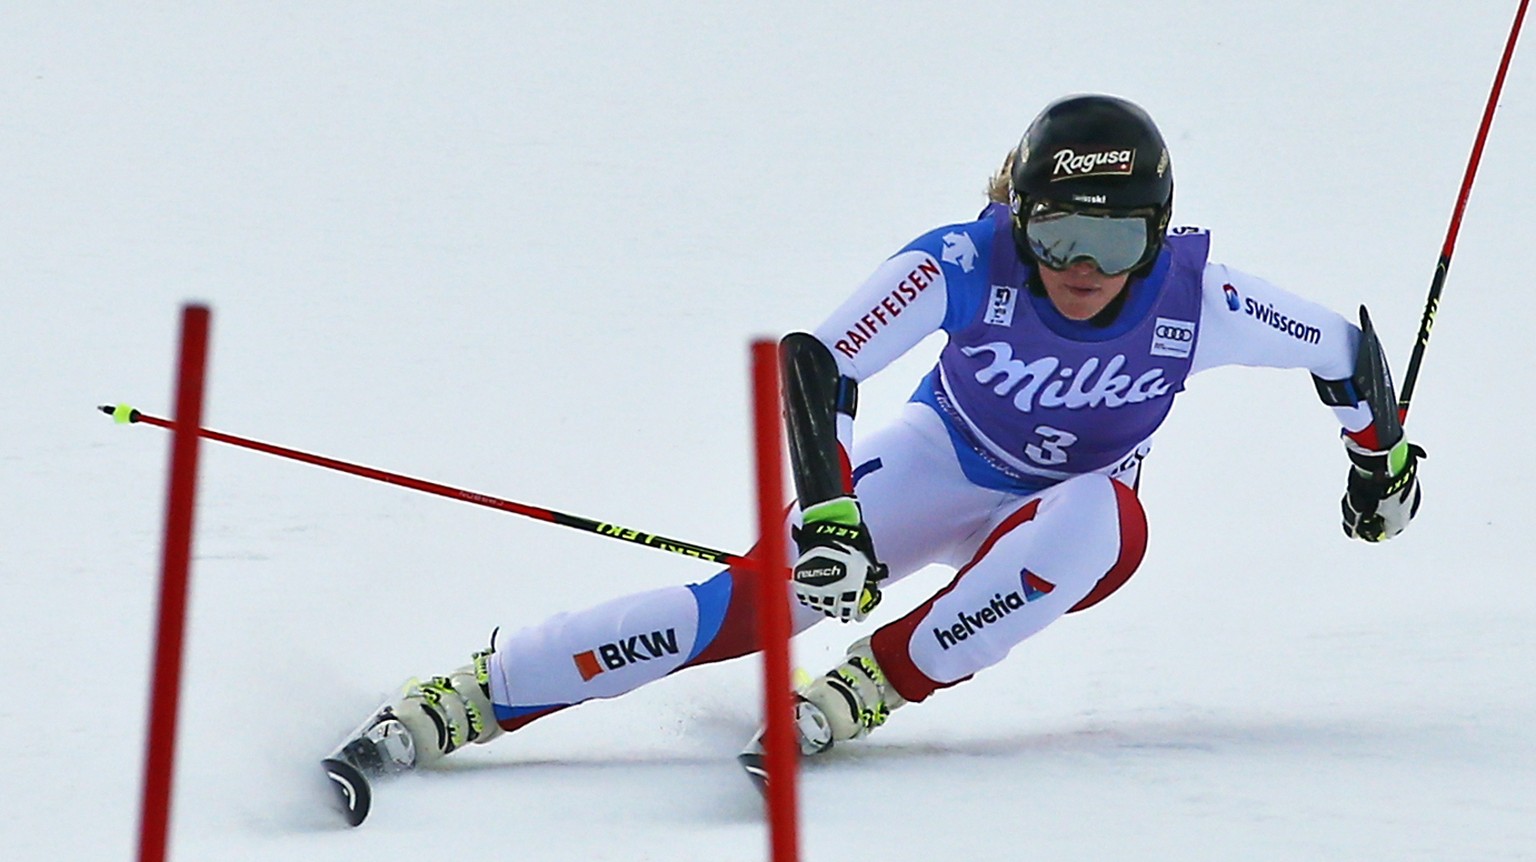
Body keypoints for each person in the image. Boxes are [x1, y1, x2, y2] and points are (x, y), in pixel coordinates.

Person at [326, 93, 1425, 797]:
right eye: (1057, 234)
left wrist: (1381, 468)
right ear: (1020, 216)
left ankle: (867, 687)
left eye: (1115, 237)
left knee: (1101, 516)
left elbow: (1343, 351)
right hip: (942, 462)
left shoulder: (1204, 294)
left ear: (1157, 232)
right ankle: (472, 692)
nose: (1082, 266)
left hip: (1071, 514)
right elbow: (818, 360)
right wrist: (830, 515)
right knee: (760, 602)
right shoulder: (960, 258)